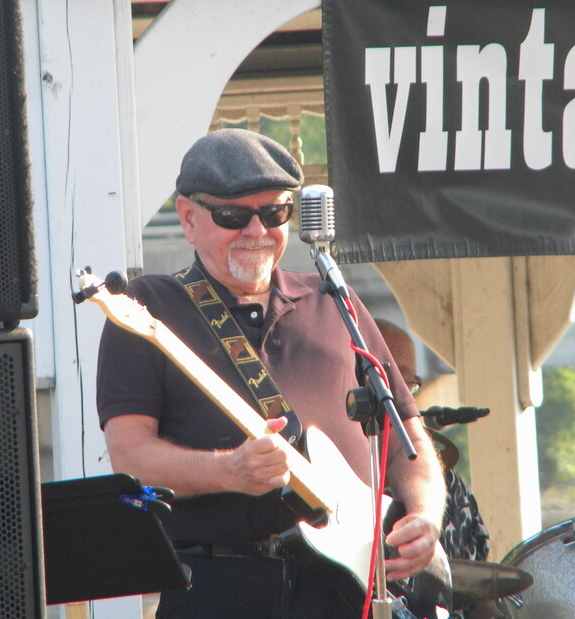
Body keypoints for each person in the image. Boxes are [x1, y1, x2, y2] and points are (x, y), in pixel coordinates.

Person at [95, 128, 447, 618]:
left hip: (346, 589)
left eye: (275, 213)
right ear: (188, 218)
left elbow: (406, 433)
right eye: (233, 216)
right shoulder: (150, 307)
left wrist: (426, 517)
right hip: (220, 586)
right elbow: (130, 457)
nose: (256, 231)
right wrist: (228, 470)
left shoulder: (333, 299)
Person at [375, 319, 498, 619]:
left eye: (408, 385)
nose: (398, 394)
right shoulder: (331, 476)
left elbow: (479, 592)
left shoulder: (449, 487)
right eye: (384, 378)